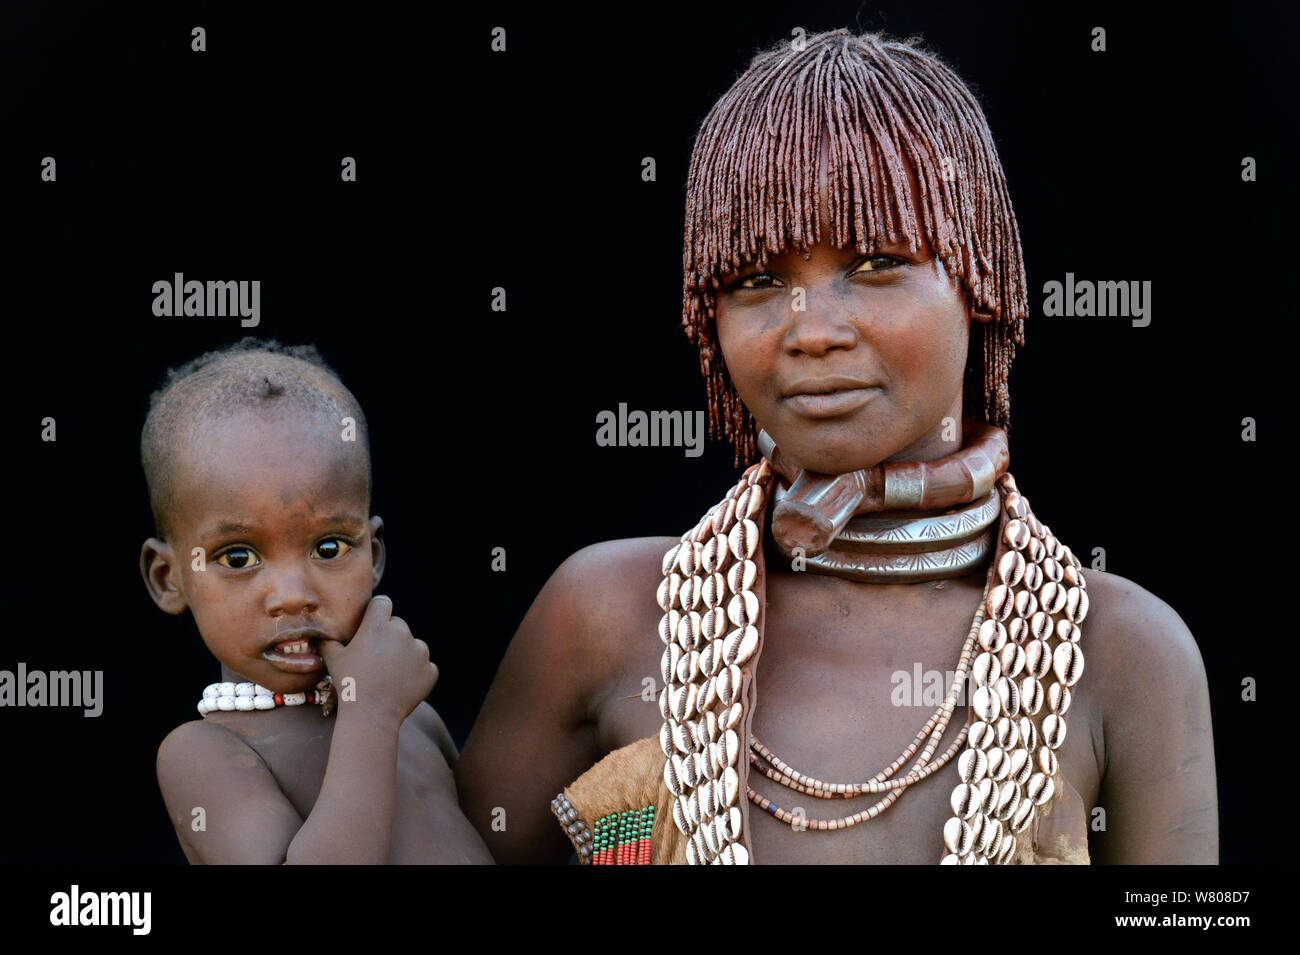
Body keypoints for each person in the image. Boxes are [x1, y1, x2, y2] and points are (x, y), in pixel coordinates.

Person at [456, 28, 1217, 864]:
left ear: (983, 282)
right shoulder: (606, 616)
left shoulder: (1120, 651)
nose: (811, 331)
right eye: (756, 281)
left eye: (877, 262)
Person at [143, 338, 492, 863]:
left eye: (329, 547)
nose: (292, 597)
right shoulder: (205, 753)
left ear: (373, 556)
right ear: (170, 578)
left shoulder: (413, 717)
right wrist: (369, 713)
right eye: (237, 558)